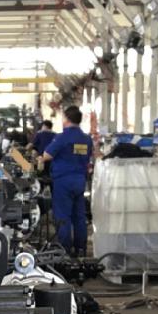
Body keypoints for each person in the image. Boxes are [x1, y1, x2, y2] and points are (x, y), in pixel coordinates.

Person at [44, 105, 93, 258]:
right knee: (79, 216)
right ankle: (81, 249)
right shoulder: (86, 139)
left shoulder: (62, 137)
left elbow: (46, 155)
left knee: (63, 216)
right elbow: (87, 158)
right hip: (80, 181)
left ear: (66, 119)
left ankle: (64, 251)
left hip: (63, 181)